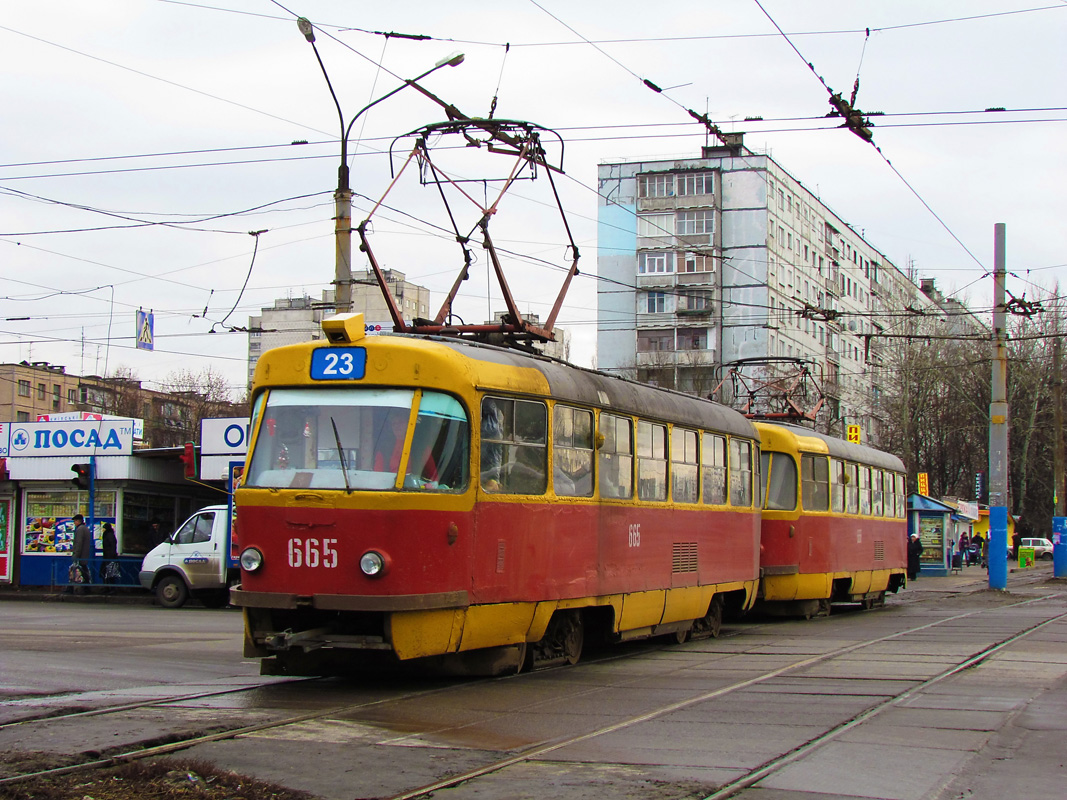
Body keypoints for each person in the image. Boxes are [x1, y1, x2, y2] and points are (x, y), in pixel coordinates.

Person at [70, 514, 93, 591]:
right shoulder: (85, 528)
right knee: (84, 570)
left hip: (81, 555)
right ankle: (86, 586)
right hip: (84, 555)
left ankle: (84, 587)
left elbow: (78, 543)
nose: (74, 523)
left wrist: (76, 555)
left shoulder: (80, 529)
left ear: (78, 521)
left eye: (75, 521)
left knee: (80, 571)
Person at [101, 522, 119, 591]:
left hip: (109, 557)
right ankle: (108, 587)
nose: (103, 530)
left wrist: (111, 557)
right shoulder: (109, 535)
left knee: (109, 573)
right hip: (108, 557)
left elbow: (112, 547)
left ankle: (111, 588)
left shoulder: (109, 535)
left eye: (104, 528)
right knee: (106, 573)